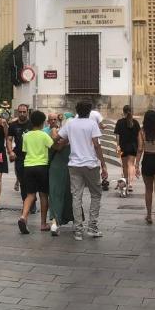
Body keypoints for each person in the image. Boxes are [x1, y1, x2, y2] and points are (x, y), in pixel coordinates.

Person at [56, 101, 107, 240]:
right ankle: (92, 226)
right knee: (96, 194)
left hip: (74, 165)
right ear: (89, 111)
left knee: (76, 196)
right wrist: (103, 165)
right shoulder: (92, 124)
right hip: (90, 164)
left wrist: (61, 144)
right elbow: (96, 145)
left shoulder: (70, 123)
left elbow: (57, 137)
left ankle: (78, 230)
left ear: (76, 110)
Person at [17, 110, 52, 234]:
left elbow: (25, 150)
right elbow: (52, 146)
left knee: (30, 195)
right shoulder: (44, 135)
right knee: (43, 195)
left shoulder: (26, 135)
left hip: (28, 166)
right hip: (42, 166)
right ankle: (43, 224)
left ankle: (23, 217)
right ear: (43, 123)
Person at [47, 112, 75, 236]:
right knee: (72, 193)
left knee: (56, 193)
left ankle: (55, 222)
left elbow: (56, 146)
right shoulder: (74, 136)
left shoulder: (58, 133)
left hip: (57, 166)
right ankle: (75, 222)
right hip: (71, 165)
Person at [114, 105, 140, 197]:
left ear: (123, 112)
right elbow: (138, 136)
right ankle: (130, 184)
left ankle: (125, 182)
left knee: (124, 166)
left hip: (123, 146)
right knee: (131, 165)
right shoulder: (135, 122)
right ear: (131, 111)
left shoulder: (119, 122)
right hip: (133, 146)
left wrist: (117, 145)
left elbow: (117, 136)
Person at [8, 103, 30, 203]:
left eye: (24, 112)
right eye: (20, 112)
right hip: (19, 156)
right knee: (22, 182)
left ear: (27, 112)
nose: (22, 114)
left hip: (31, 156)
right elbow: (9, 140)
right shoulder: (13, 125)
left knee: (30, 181)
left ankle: (31, 203)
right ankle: (26, 202)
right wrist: (10, 152)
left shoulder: (32, 124)